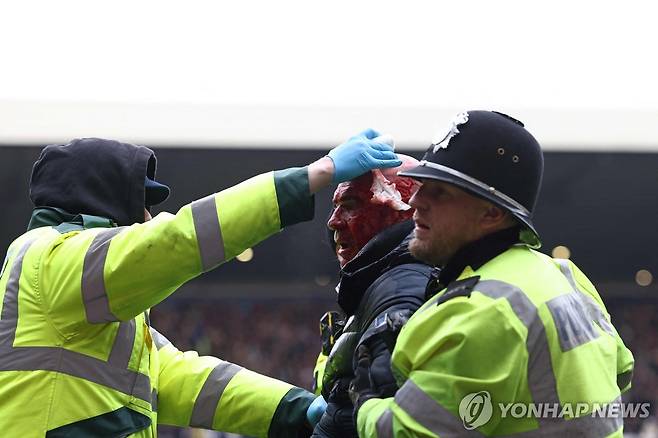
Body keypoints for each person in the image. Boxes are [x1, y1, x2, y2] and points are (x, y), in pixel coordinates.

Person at [0, 130, 401, 438]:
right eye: (140, 203)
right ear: (99, 201)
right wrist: (317, 174)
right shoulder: (49, 259)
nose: (146, 215)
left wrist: (297, 409)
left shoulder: (89, 303)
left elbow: (187, 382)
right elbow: (177, 242)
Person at [349, 111, 635, 437]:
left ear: (492, 212)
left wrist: (367, 401)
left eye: (439, 192)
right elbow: (622, 370)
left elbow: (404, 433)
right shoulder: (563, 273)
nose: (415, 200)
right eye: (422, 186)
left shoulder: (482, 311)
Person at [311, 155, 432, 437]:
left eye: (350, 206)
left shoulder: (402, 289)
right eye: (335, 208)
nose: (333, 222)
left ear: (401, 211)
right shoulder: (376, 286)